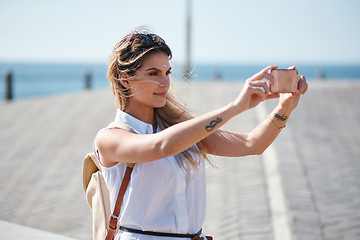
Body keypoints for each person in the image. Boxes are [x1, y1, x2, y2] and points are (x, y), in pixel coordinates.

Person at [94, 30, 308, 240]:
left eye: (167, 73)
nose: (165, 83)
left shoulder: (180, 128)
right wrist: (235, 107)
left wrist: (285, 108)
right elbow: (161, 147)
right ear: (125, 79)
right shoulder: (110, 138)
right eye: (153, 74)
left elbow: (251, 144)